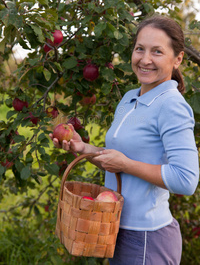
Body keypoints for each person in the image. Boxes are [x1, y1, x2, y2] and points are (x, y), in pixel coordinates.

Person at [50, 15, 199, 265]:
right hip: (114, 227)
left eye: (157, 51)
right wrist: (83, 147)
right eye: (140, 49)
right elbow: (116, 159)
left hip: (146, 238)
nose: (145, 59)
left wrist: (126, 165)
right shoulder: (130, 98)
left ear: (178, 60)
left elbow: (186, 180)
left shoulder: (171, 105)